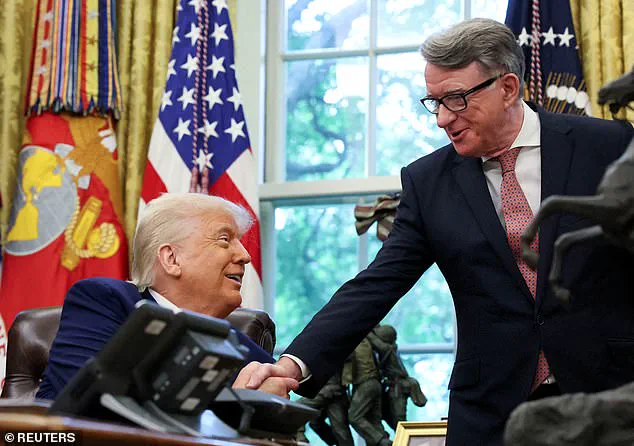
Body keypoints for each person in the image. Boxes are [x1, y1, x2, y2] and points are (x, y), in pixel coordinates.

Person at [234, 18, 634, 446]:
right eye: (434, 102)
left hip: (609, 398)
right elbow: (375, 285)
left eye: (456, 99)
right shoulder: (428, 183)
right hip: (490, 415)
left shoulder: (608, 146)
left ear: (507, 88)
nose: (443, 119)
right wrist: (291, 366)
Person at [37, 193, 296, 400]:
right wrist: (235, 404)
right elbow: (84, 403)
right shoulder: (105, 302)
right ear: (171, 259)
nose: (245, 256)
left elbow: (283, 395)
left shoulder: (235, 343)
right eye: (224, 239)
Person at [367, 325, 427, 430]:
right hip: (395, 385)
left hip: (398, 386)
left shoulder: (387, 349)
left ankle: (405, 435)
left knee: (399, 417)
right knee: (388, 414)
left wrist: (366, 329)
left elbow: (374, 341)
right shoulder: (392, 348)